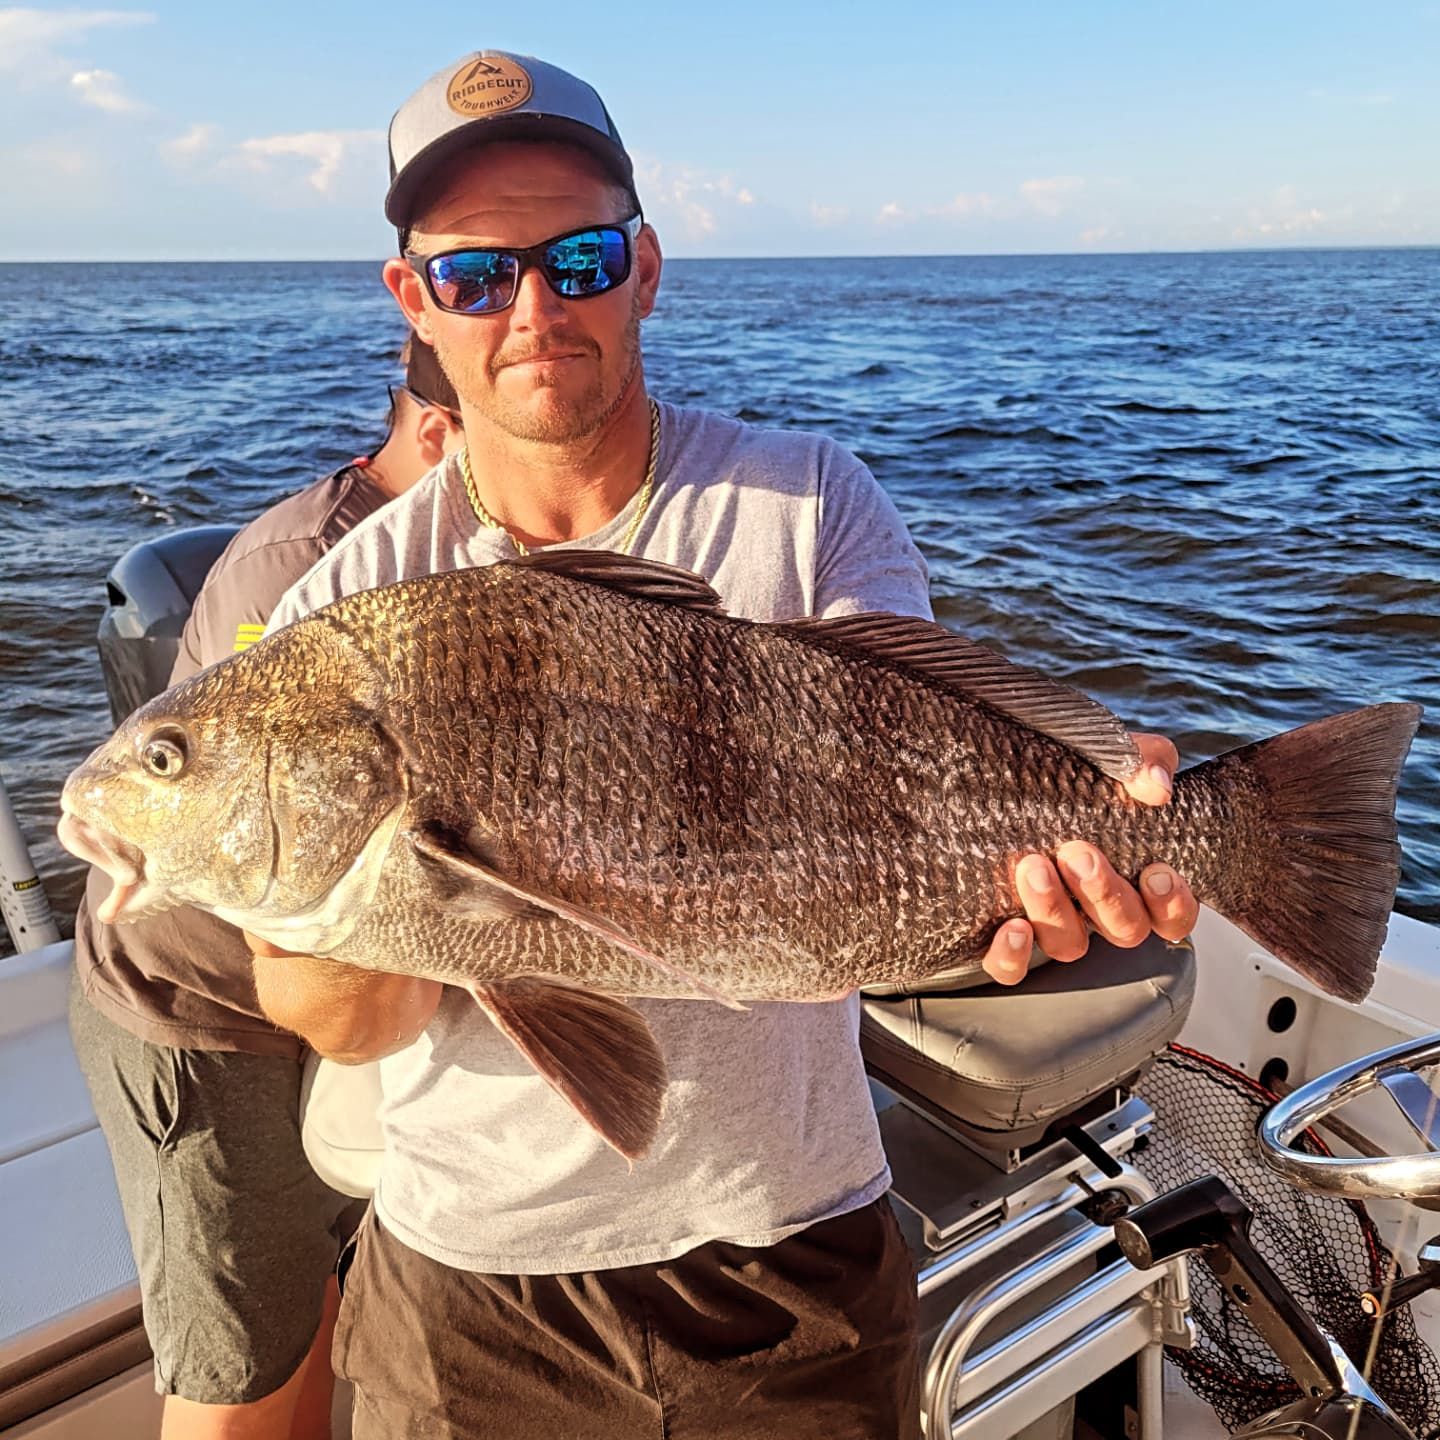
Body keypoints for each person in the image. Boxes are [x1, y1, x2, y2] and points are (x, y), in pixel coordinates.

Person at [253, 50, 1200, 1440]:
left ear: (643, 268)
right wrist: (376, 886)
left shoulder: (810, 503)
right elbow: (346, 1018)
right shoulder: (341, 610)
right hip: (468, 1299)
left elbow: (918, 764)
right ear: (415, 303)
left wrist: (1060, 868)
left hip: (796, 1268)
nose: (531, 310)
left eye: (576, 260)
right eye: (474, 277)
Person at [68, 338, 464, 1440]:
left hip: (315, 1002)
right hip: (203, 1019)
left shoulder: (434, 548)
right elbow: (244, 804)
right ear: (434, 430)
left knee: (312, 1304)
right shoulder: (308, 573)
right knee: (235, 1373)